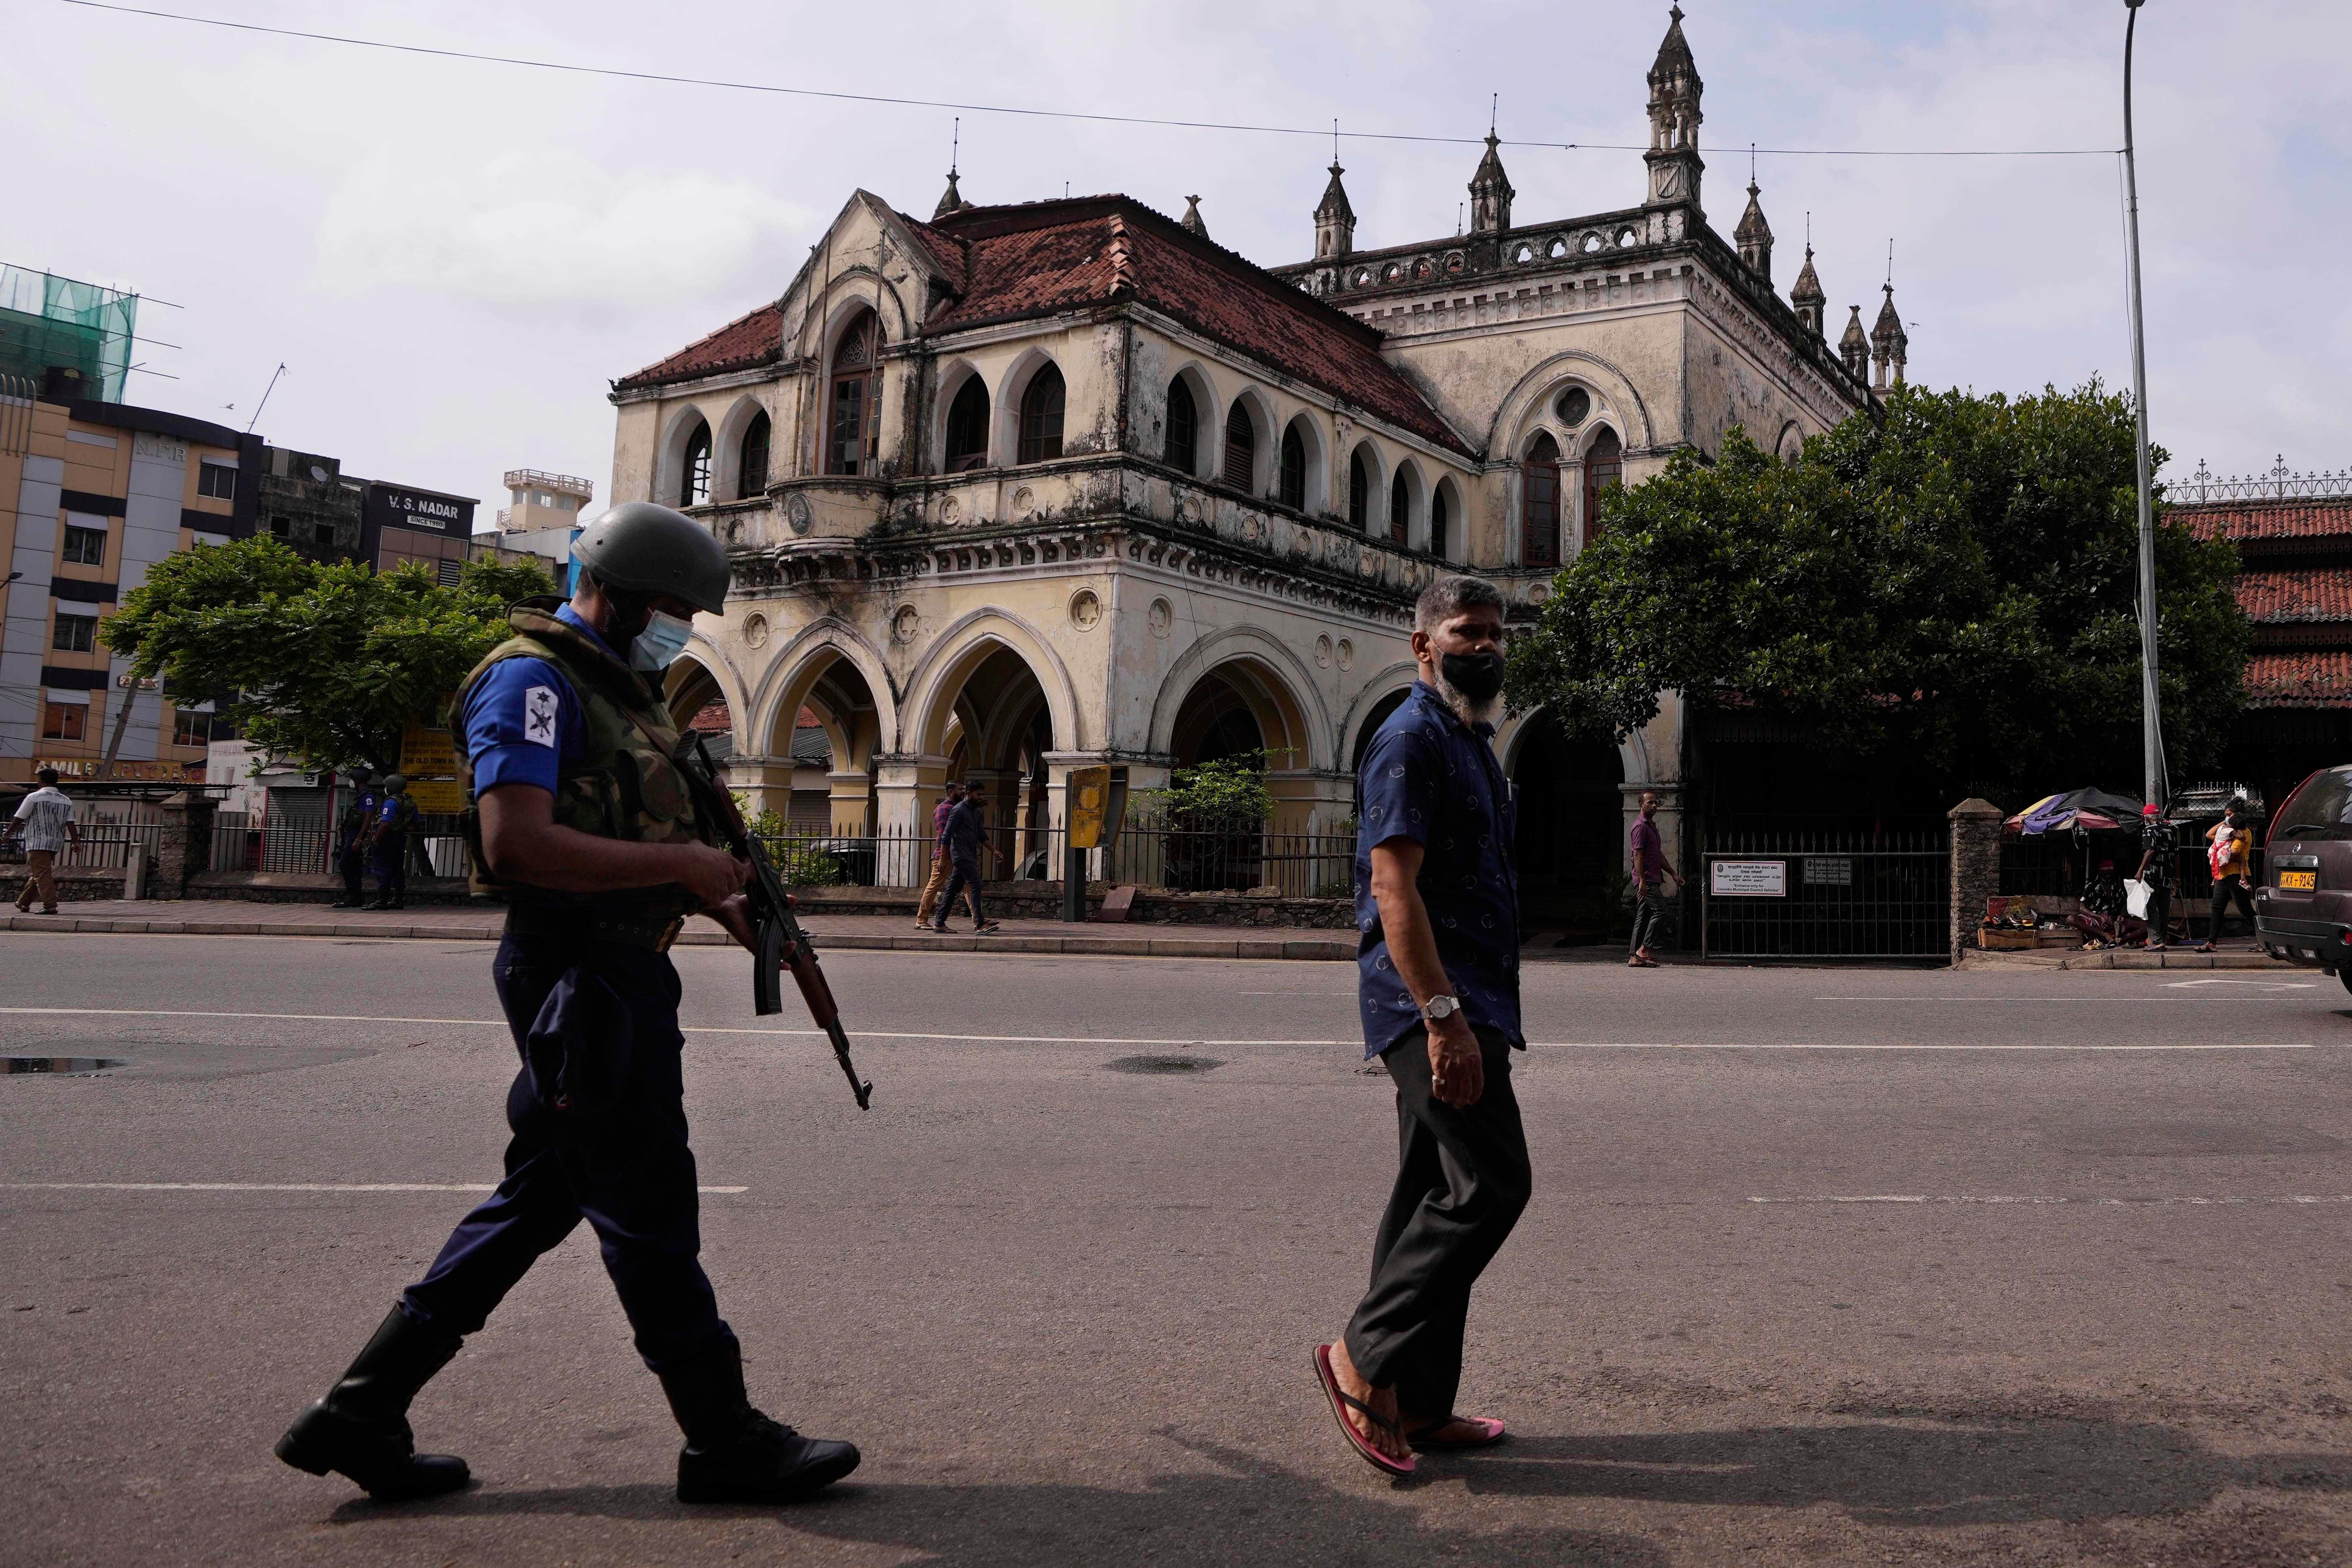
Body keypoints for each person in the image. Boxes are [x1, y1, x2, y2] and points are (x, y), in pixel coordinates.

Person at [274, 501, 859, 1506]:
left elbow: (662, 851)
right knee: (649, 1211)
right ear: (623, 596)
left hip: (619, 969)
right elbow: (515, 844)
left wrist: (734, 909)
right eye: (674, 609)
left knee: (539, 1200)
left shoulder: (625, 690)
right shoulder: (530, 681)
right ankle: (723, 1441)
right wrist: (678, 861)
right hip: (578, 977)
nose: (682, 629)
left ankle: (361, 1411)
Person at [1313, 574, 1528, 1479]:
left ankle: (1422, 1400)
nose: (1480, 645)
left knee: (1425, 1195)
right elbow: (1391, 888)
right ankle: (1362, 1357)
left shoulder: (1469, 739)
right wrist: (1442, 1021)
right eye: (1463, 631)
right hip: (1429, 1004)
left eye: (1491, 632)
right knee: (1489, 1185)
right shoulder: (1407, 740)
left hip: (1469, 999)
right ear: (1421, 645)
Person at [9, 768, 81, 915]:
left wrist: (8, 833)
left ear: (40, 779)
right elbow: (71, 824)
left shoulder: (34, 797)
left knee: (42, 874)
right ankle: (23, 902)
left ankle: (50, 906)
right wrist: (76, 842)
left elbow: (19, 818)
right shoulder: (66, 800)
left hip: (37, 842)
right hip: (55, 843)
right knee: (39, 872)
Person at [931, 782, 1000, 935]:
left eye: (983, 794)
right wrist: (943, 858)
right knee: (976, 884)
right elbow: (946, 835)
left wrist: (994, 851)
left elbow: (981, 834)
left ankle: (939, 922)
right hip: (960, 855)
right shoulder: (958, 811)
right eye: (978, 794)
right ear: (969, 793)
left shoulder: (975, 812)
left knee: (953, 889)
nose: (981, 797)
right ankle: (980, 924)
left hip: (969, 854)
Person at [1627, 790, 1680, 967]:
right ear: (1641, 805)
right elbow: (1638, 855)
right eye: (1650, 803)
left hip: (1652, 877)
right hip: (1647, 879)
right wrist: (1642, 880)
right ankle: (1644, 949)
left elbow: (1657, 855)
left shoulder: (1651, 826)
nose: (1654, 805)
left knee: (1642, 916)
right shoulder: (1640, 827)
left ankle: (1635, 956)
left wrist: (1673, 874)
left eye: (1655, 802)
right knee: (1662, 911)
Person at [2197, 797, 2257, 952]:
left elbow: (2235, 852)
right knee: (2217, 908)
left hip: (2238, 875)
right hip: (2223, 876)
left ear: (2238, 816)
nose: (2227, 817)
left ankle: (2265, 940)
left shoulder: (2244, 832)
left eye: (2230, 815)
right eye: (2226, 815)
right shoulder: (2227, 830)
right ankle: (2211, 943)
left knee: (2245, 909)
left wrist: (2218, 853)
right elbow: (2210, 835)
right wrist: (2224, 823)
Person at [912, 780, 965, 931]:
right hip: (945, 855)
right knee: (934, 886)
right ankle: (921, 919)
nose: (963, 791)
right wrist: (942, 857)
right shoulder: (943, 809)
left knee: (969, 885)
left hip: (958, 853)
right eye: (960, 789)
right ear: (950, 792)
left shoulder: (958, 808)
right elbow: (944, 835)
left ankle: (978, 920)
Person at [362, 775, 420, 911]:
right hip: (400, 838)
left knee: (383, 869)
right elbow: (414, 823)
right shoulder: (410, 801)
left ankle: (382, 900)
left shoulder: (391, 802)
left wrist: (377, 840)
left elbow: (385, 824)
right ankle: (398, 900)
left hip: (386, 839)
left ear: (391, 788)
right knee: (398, 869)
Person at [330, 773, 382, 910]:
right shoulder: (360, 795)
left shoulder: (368, 796)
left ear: (359, 780)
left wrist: (359, 839)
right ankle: (355, 897)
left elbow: (367, 819)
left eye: (353, 779)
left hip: (356, 835)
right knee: (353, 865)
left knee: (345, 864)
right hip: (351, 833)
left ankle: (353, 896)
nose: (351, 782)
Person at [2134, 800, 2177, 950]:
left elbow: (2150, 851)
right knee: (2164, 910)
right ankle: (2162, 939)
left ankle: (2157, 941)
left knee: (2150, 908)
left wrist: (2140, 871)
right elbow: (2176, 855)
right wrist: (2176, 876)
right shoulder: (2170, 831)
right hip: (2167, 877)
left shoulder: (2149, 831)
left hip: (2152, 876)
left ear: (2147, 817)